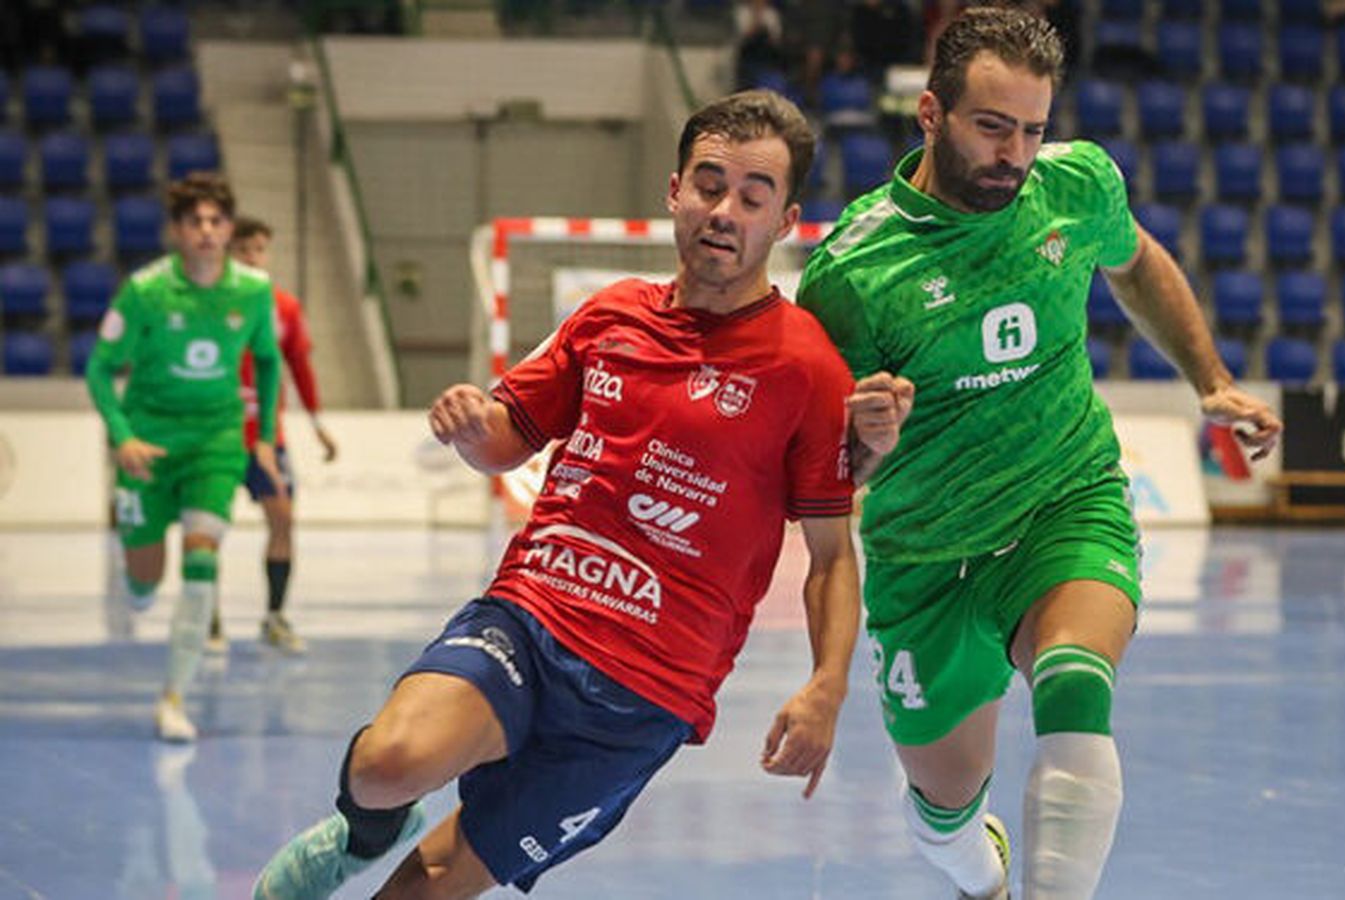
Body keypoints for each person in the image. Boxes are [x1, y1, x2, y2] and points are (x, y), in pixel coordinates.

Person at [252, 89, 874, 899]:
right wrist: (471, 428)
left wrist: (828, 684)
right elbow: (507, 439)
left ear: (785, 220)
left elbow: (831, 555)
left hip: (645, 695)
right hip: (534, 616)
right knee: (383, 767)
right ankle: (367, 830)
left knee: (421, 891)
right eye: (709, 185)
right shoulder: (610, 316)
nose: (725, 212)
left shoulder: (808, 367)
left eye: (752, 198)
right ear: (675, 192)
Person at [797, 7, 1282, 899]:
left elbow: (1137, 263)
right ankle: (980, 875)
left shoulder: (1076, 185)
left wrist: (1209, 380)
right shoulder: (852, 274)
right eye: (992, 127)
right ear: (932, 114)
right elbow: (825, 474)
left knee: (1073, 682)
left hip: (1064, 499)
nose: (1015, 154)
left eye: (1032, 129)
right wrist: (868, 439)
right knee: (944, 815)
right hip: (926, 556)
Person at [86, 171, 284, 743]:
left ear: (228, 228)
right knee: (144, 583)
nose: (206, 230)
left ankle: (173, 698)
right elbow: (99, 368)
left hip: (216, 442)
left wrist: (264, 436)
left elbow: (268, 359)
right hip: (147, 445)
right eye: (194, 221)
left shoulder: (253, 290)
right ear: (176, 230)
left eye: (216, 221)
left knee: (202, 556)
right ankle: (139, 581)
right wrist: (122, 436)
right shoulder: (145, 291)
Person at [206, 216, 338, 656]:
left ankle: (275, 616)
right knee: (207, 526)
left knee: (283, 518)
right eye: (244, 250)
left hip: (267, 438)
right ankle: (208, 618)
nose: (253, 257)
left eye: (259, 249)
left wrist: (318, 425)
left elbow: (300, 367)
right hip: (219, 435)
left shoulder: (283, 308)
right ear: (229, 254)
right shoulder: (209, 304)